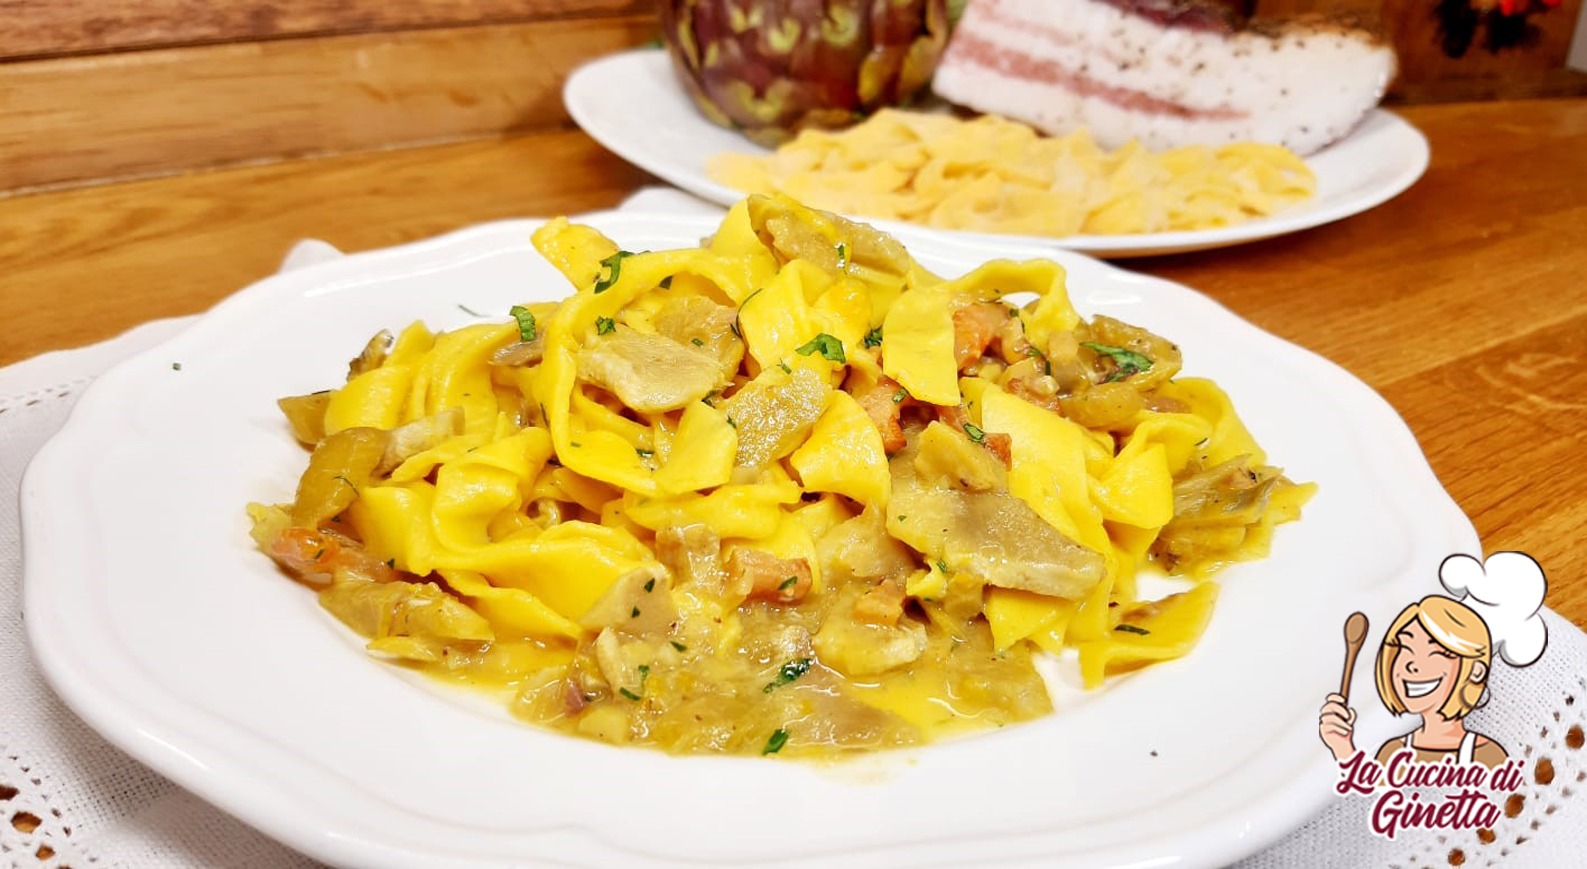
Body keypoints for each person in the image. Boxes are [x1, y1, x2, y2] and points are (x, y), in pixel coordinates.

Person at [1319, 595, 1507, 768]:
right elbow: (1368, 792)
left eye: (1436, 652)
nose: (1411, 664)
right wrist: (1342, 746)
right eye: (1405, 647)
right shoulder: (1393, 751)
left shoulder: (1486, 755)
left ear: (1476, 671)